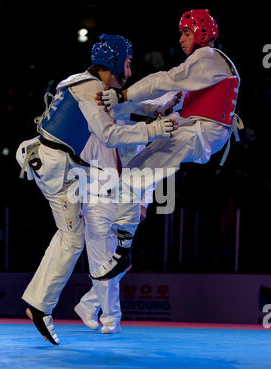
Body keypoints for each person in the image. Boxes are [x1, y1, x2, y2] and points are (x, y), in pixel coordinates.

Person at [16, 34, 178, 344]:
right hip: (57, 169)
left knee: (74, 239)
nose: (130, 68)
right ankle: (40, 307)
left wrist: (165, 102)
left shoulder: (90, 86)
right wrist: (155, 128)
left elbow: (124, 105)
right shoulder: (88, 89)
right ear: (115, 61)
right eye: (127, 61)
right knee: (73, 239)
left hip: (62, 166)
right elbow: (108, 134)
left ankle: (41, 305)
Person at [90, 9, 244, 281]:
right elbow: (161, 100)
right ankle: (123, 247)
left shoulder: (207, 56)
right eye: (182, 34)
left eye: (186, 33)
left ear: (201, 34)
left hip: (202, 132)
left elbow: (164, 80)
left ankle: (122, 250)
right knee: (134, 172)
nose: (182, 39)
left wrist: (122, 94)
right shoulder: (198, 72)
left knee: (135, 175)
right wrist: (122, 104)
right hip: (196, 131)